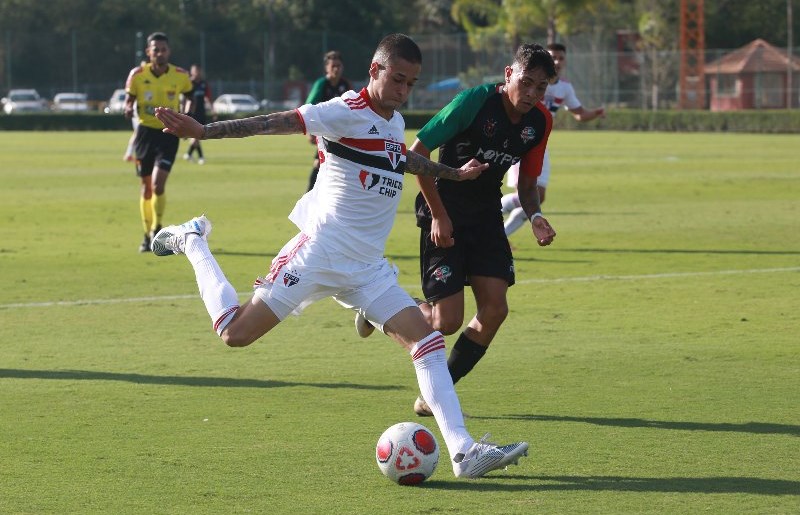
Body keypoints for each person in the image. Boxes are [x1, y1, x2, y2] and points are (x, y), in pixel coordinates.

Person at [150, 34, 529, 479]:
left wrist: (453, 174)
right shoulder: (344, 110)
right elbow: (278, 122)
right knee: (235, 334)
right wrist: (206, 131)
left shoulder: (392, 121)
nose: (404, 90)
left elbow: (401, 159)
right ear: (374, 71)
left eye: (411, 83)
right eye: (398, 79)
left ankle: (464, 452)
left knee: (426, 343)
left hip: (368, 268)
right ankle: (193, 240)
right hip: (319, 253)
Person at [356, 43, 558, 418]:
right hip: (444, 207)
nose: (531, 94)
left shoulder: (540, 123)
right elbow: (417, 152)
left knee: (495, 309)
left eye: (541, 88)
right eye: (526, 82)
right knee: (445, 322)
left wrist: (535, 217)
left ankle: (437, 393)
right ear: (508, 74)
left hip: (485, 216)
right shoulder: (475, 102)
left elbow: (527, 188)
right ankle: (377, 310)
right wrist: (438, 215)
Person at [501, 42, 605, 237]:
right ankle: (493, 222)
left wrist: (596, 113)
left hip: (540, 144)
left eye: (561, 58)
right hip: (520, 140)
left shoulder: (564, 88)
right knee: (526, 194)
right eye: (552, 57)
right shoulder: (528, 81)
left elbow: (579, 114)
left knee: (538, 196)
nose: (557, 61)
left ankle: (500, 234)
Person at [123, 32, 193, 253]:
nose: (160, 53)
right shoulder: (137, 75)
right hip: (145, 134)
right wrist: (126, 107)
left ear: (168, 51)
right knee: (145, 188)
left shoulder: (180, 75)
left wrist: (186, 116)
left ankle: (156, 228)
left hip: (168, 134)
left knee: (157, 185)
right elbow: (129, 98)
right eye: (156, 49)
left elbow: (190, 96)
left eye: (163, 49)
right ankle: (146, 235)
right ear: (148, 52)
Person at [304, 50, 352, 191]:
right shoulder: (322, 84)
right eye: (333, 66)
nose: (336, 69)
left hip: (341, 133)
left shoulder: (346, 85)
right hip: (324, 132)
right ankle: (310, 195)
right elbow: (309, 106)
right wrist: (309, 131)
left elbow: (353, 108)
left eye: (339, 65)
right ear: (327, 68)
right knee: (320, 163)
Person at [183, 64, 215, 165]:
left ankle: (189, 154)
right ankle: (200, 157)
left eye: (199, 71)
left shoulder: (203, 84)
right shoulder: (189, 83)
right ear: (192, 72)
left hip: (202, 113)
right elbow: (184, 99)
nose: (197, 73)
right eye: (195, 71)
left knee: (198, 135)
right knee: (196, 135)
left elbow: (208, 98)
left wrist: (213, 110)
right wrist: (184, 112)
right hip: (192, 113)